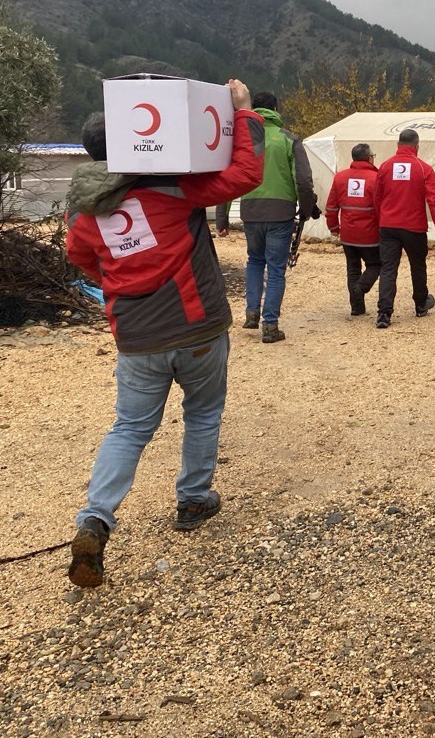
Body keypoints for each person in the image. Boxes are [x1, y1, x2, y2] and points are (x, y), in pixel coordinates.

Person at [64, 79, 265, 588]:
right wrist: (244, 113)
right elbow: (245, 173)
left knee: (129, 428)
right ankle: (193, 501)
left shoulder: (84, 211)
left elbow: (82, 259)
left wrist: (121, 275)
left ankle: (95, 518)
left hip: (136, 339)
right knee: (202, 413)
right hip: (197, 329)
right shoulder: (175, 188)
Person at [238, 91, 319, 344]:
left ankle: (252, 313)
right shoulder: (289, 139)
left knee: (254, 260)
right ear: (275, 108)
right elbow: (303, 182)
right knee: (275, 268)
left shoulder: (243, 139)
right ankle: (270, 325)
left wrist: (221, 217)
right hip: (280, 212)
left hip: (250, 210)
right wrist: (306, 209)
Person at [374, 128, 435, 329]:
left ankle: (384, 313)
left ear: (398, 145)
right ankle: (421, 305)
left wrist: (382, 219)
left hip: (388, 226)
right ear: (417, 146)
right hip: (414, 227)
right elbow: (433, 199)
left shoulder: (385, 166)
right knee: (418, 266)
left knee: (388, 269)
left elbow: (377, 197)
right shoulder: (423, 168)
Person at [325, 143, 380, 316]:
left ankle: (357, 307)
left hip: (348, 234)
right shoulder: (376, 178)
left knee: (353, 268)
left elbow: (332, 206)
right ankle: (360, 288)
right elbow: (380, 208)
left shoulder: (340, 177)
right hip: (370, 234)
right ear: (369, 158)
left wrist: (333, 227)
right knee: (376, 264)